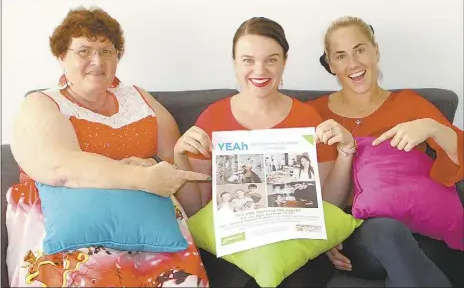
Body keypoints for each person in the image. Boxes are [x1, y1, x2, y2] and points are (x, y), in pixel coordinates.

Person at [6, 6, 210, 288]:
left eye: (106, 51)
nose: (97, 61)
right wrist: (141, 175)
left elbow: (186, 200)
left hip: (150, 228)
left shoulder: (141, 100)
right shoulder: (41, 105)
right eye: (84, 51)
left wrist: (179, 158)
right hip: (68, 234)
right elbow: (61, 168)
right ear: (61, 55)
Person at [175, 16, 357, 288]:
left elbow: (327, 202)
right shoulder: (213, 117)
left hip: (294, 242)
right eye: (248, 60)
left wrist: (346, 153)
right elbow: (195, 209)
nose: (260, 70)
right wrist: (180, 158)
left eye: (271, 59)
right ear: (235, 62)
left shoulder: (308, 118)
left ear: (285, 61)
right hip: (234, 246)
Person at [307, 16, 464, 287]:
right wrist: (323, 238)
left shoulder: (410, 106)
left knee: (421, 252)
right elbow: (303, 188)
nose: (353, 63)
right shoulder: (314, 114)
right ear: (331, 65)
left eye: (360, 50)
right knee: (387, 230)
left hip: (419, 229)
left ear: (375, 51)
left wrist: (434, 128)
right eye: (341, 56)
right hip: (357, 238)